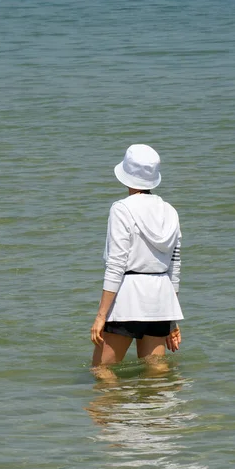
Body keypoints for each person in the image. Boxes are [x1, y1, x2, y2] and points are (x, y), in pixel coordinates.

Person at [91, 144, 183, 374]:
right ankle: (161, 409)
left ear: (127, 176)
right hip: (160, 298)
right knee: (156, 372)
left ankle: (119, 410)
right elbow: (175, 265)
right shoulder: (170, 211)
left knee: (101, 370)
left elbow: (116, 264)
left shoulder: (122, 208)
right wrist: (171, 318)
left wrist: (101, 315)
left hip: (128, 298)